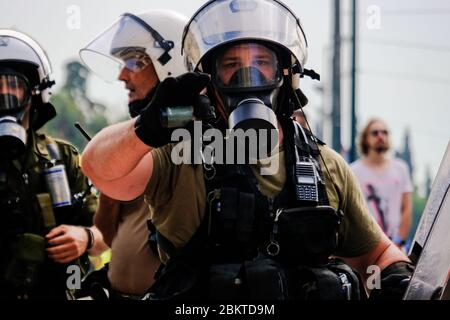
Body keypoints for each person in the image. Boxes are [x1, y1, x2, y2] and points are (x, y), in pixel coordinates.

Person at [81, 0, 414, 300]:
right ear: (208, 80)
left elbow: (378, 254)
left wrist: (397, 278)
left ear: (285, 74)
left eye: (261, 62)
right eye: (230, 64)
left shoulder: (324, 165)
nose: (248, 75)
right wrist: (147, 126)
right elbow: (100, 169)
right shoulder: (179, 154)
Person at [78, 10, 188, 298]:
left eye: (133, 61)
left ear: (171, 63)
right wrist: (111, 187)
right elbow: (103, 238)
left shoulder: (202, 143)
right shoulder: (127, 143)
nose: (122, 75)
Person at [0, 30, 106, 300]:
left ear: (34, 93)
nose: (4, 95)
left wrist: (86, 238)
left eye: (13, 85)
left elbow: (107, 231)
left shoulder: (61, 157)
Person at [351, 118, 413, 250]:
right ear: (365, 138)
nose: (380, 136)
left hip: (396, 246)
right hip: (366, 247)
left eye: (384, 132)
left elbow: (406, 208)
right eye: (375, 133)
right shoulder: (353, 171)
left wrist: (399, 241)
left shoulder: (400, 169)